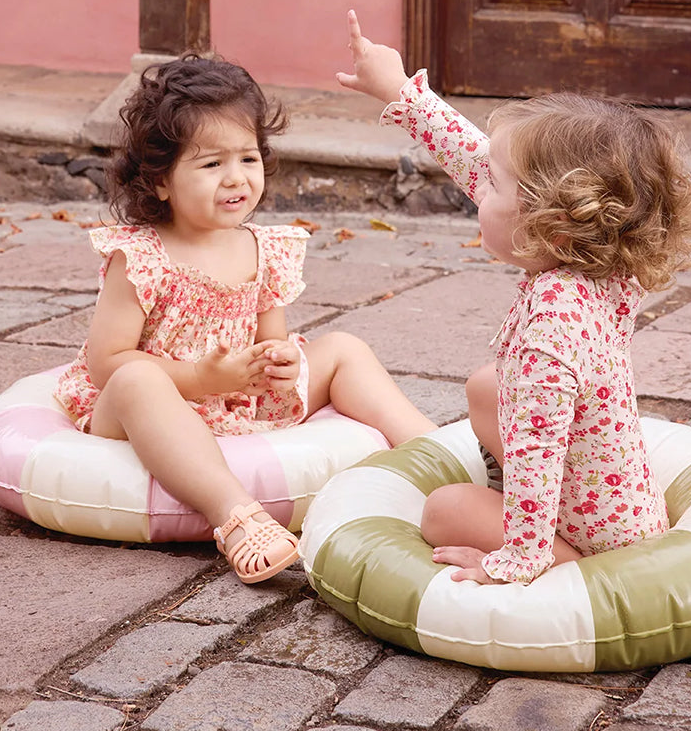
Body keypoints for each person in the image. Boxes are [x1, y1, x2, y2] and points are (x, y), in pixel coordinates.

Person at [336, 10, 691, 586]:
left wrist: (517, 559)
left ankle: (570, 564)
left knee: (444, 509)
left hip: (597, 536)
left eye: (494, 184)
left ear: (550, 223)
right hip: (615, 501)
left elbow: (537, 446)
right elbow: (474, 159)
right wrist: (402, 93)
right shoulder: (607, 261)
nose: (478, 185)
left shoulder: (552, 325)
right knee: (487, 386)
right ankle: (557, 539)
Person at [55, 54, 435, 584]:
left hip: (237, 394)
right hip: (154, 402)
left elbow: (271, 338)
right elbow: (107, 363)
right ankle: (235, 516)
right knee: (137, 379)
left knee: (344, 348)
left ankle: (438, 453)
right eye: (212, 165)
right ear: (161, 181)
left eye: (248, 158)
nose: (236, 178)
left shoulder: (264, 247)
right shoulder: (141, 257)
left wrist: (279, 361)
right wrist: (199, 378)